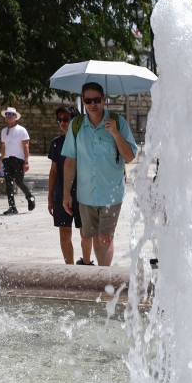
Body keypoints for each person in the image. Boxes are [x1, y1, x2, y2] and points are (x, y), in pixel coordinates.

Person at [62, 82, 138, 267]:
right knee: (92, 237)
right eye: (88, 100)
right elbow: (70, 160)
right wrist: (66, 193)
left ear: (104, 100)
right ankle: (102, 278)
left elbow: (129, 157)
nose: (92, 104)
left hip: (111, 193)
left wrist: (115, 134)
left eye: (97, 100)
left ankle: (104, 279)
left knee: (105, 238)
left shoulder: (118, 123)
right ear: (83, 101)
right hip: (86, 194)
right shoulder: (77, 125)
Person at [47, 106, 93, 265]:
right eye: (59, 120)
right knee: (64, 232)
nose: (62, 123)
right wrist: (50, 197)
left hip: (83, 193)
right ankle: (69, 268)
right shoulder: (56, 143)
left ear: (74, 120)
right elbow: (53, 171)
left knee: (85, 232)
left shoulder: (85, 142)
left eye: (66, 119)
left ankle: (86, 263)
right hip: (61, 193)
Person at [0, 107, 35, 215]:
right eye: (7, 114)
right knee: (8, 184)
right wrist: (0, 159)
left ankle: (30, 197)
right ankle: (12, 207)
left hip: (18, 160)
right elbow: (3, 146)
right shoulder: (4, 131)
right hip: (7, 160)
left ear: (15, 117)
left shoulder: (22, 130)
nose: (9, 116)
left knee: (19, 181)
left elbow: (26, 146)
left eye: (11, 114)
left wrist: (26, 161)